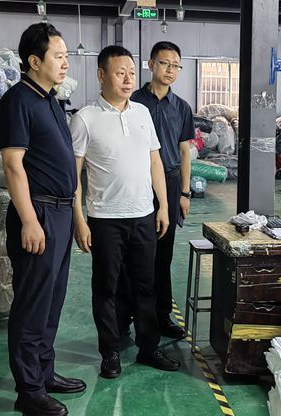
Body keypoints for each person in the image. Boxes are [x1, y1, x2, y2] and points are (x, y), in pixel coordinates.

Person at [69, 45, 181, 380]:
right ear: (101, 75)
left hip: (143, 215)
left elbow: (155, 161)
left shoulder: (142, 114)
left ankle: (148, 347)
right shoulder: (85, 119)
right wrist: (79, 220)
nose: (128, 79)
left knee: (146, 286)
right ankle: (110, 352)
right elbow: (73, 175)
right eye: (120, 73)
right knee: (107, 289)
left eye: (131, 72)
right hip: (105, 220)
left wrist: (163, 206)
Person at [0, 23, 85, 416]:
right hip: (39, 213)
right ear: (34, 61)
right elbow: (13, 166)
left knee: (52, 301)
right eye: (58, 56)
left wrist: (75, 215)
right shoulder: (17, 101)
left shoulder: (50, 99)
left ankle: (44, 373)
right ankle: (28, 390)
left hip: (61, 212)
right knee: (32, 305)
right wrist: (29, 221)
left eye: (66, 56)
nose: (65, 63)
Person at [120, 41, 196, 340]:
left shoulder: (182, 108)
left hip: (171, 182)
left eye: (176, 65)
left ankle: (162, 317)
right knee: (134, 255)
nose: (170, 70)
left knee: (163, 256)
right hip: (138, 182)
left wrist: (184, 193)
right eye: (165, 63)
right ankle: (126, 318)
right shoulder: (133, 101)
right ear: (151, 65)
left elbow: (185, 151)